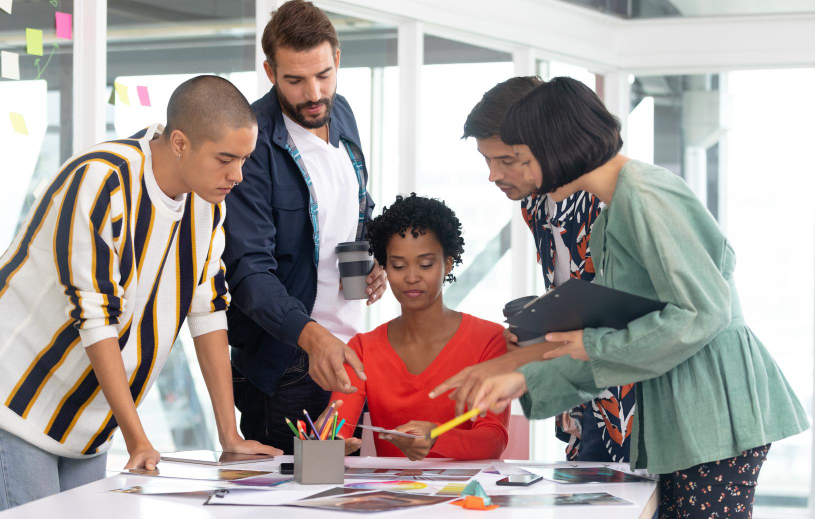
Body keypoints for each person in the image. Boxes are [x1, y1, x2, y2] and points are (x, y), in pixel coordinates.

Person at [452, 77, 810, 518]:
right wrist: (524, 378)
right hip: (677, 413)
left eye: (520, 160)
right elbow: (625, 332)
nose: (517, 175)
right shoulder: (615, 207)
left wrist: (576, 350)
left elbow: (702, 311)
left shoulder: (644, 192)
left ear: (557, 147)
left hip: (709, 414)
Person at [0, 75, 280, 510]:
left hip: (90, 424)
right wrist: (138, 438)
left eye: (244, 159)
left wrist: (230, 435)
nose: (238, 176)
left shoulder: (208, 205)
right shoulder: (101, 180)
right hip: (15, 406)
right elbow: (95, 318)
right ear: (181, 143)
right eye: (226, 158)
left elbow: (207, 313)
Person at [223, 0, 386, 454]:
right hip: (288, 361)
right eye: (295, 80)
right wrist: (315, 339)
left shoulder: (344, 113)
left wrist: (375, 260)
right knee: (292, 500)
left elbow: (357, 206)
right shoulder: (251, 141)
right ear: (270, 71)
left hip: (350, 347)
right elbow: (250, 273)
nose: (314, 94)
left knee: (352, 494)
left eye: (323, 75)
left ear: (338, 59)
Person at [443, 76, 634, 463]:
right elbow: (577, 293)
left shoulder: (607, 200)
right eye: (487, 161)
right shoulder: (535, 204)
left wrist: (515, 363)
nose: (494, 175)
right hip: (584, 397)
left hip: (633, 398)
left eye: (509, 161)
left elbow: (626, 320)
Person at [329, 194, 509, 461]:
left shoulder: (490, 341)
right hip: (391, 498)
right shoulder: (362, 349)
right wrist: (330, 442)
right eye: (398, 266)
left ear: (448, 263)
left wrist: (438, 438)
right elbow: (337, 428)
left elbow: (493, 439)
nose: (411, 277)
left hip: (467, 497)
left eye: (425, 264)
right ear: (385, 268)